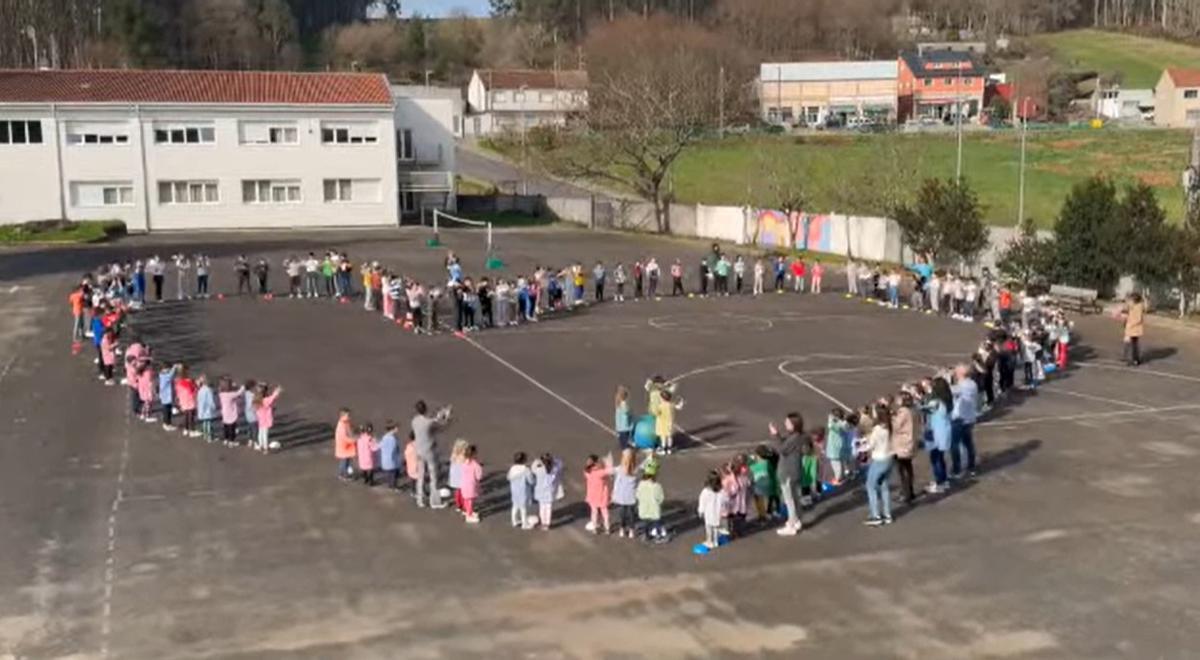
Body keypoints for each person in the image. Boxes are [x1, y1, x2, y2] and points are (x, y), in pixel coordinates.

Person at [768, 412, 804, 536]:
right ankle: (796, 520)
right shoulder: (796, 436)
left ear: (794, 424)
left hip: (788, 472)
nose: (785, 424)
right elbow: (784, 445)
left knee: (790, 500)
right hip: (793, 471)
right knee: (794, 497)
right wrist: (778, 435)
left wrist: (775, 435)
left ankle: (792, 524)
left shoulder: (794, 438)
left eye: (788, 422)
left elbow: (781, 449)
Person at [858, 404, 894, 526]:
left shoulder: (877, 429)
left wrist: (860, 448)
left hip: (879, 459)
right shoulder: (889, 425)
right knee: (884, 485)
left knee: (870, 486)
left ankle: (875, 515)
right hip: (889, 458)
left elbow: (870, 445)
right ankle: (887, 514)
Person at [411, 400, 451, 509]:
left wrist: (437, 417)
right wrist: (446, 417)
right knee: (433, 477)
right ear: (425, 409)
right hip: (429, 451)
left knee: (420, 476)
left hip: (418, 451)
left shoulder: (414, 420)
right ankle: (434, 502)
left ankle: (420, 500)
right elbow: (441, 426)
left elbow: (431, 423)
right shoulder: (429, 422)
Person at [923, 378, 953, 493]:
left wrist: (916, 398)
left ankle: (940, 482)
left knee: (935, 459)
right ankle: (943, 480)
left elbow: (924, 409)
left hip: (936, 432)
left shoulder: (937, 402)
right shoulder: (947, 400)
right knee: (940, 458)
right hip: (943, 431)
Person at [950, 364, 979, 479]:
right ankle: (971, 466)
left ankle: (957, 469)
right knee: (968, 443)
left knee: (955, 445)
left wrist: (945, 378)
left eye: (957, 371)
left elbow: (947, 391)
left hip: (959, 418)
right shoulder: (972, 384)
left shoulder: (962, 386)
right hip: (969, 417)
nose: (955, 373)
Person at [892, 393, 917, 504]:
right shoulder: (913, 410)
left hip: (903, 443)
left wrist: (892, 417)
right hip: (911, 441)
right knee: (908, 467)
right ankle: (909, 491)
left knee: (902, 470)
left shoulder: (903, 412)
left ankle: (906, 494)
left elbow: (896, 426)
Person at [611, 449, 639, 539]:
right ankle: (631, 531)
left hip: (621, 496)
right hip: (631, 496)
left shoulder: (620, 469)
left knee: (622, 513)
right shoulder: (636, 470)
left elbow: (612, 473)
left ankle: (622, 529)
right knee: (631, 513)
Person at [532, 452, 563, 530]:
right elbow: (560, 463)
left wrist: (537, 461)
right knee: (548, 508)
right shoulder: (554, 470)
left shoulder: (539, 470)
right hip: (550, 492)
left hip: (541, 492)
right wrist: (553, 460)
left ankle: (543, 523)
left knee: (542, 508)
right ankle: (547, 524)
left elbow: (533, 468)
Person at [636, 462, 666, 542]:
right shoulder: (657, 486)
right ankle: (658, 536)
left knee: (645, 523)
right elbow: (661, 498)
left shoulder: (641, 484)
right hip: (654, 510)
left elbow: (637, 495)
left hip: (643, 509)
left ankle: (646, 535)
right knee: (657, 523)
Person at [697, 471, 727, 549]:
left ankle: (709, 541)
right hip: (717, 513)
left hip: (709, 514)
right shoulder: (721, 491)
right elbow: (725, 500)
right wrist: (724, 509)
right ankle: (716, 541)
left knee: (709, 528)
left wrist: (700, 511)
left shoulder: (706, 491)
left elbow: (702, 502)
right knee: (716, 527)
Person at [584, 454, 613, 534]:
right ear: (596, 463)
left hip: (592, 495)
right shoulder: (600, 472)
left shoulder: (587, 472)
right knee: (604, 512)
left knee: (594, 512)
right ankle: (607, 528)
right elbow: (610, 471)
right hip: (602, 495)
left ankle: (595, 528)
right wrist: (608, 463)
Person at [508, 451, 535, 530]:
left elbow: (508, 477)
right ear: (524, 460)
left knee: (515, 506)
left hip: (514, 490)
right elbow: (531, 480)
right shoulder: (526, 469)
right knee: (523, 508)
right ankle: (524, 524)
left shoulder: (512, 468)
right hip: (524, 491)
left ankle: (514, 521)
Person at [253, 383, 282, 453]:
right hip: (266, 419)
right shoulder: (265, 400)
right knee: (265, 434)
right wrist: (277, 391)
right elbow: (273, 398)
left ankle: (261, 445)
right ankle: (265, 448)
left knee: (260, 433)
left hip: (260, 419)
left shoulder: (256, 399)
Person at [459, 445, 483, 524]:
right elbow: (479, 476)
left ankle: (468, 511)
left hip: (464, 484)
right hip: (471, 486)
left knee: (466, 499)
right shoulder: (476, 465)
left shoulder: (464, 463)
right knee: (470, 501)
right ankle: (469, 516)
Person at [1121, 293, 1145, 366]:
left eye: (1131, 299)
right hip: (1131, 328)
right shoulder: (1133, 305)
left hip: (1134, 329)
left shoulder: (1138, 307)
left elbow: (1138, 319)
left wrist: (1130, 323)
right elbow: (1126, 309)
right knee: (1129, 343)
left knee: (1132, 345)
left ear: (1135, 300)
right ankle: (1129, 358)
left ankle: (1134, 360)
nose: (1130, 300)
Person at [219, 378, 244, 447]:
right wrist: (242, 387)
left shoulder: (221, 394)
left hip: (224, 413)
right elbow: (238, 393)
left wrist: (233, 386)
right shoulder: (230, 395)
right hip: (231, 414)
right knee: (232, 428)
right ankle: (231, 441)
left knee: (226, 427)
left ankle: (226, 439)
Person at [379, 421, 403, 491]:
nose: (397, 429)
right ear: (393, 428)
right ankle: (394, 487)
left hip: (386, 460)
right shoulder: (393, 439)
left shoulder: (384, 437)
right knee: (394, 474)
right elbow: (395, 450)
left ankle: (390, 486)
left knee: (390, 474)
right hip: (392, 460)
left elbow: (380, 446)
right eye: (396, 428)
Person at [174, 366, 197, 437]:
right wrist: (196, 386)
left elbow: (177, 392)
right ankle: (192, 431)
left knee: (186, 416)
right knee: (191, 416)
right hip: (190, 400)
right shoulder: (189, 382)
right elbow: (192, 390)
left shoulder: (178, 382)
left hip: (183, 400)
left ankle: (186, 429)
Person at [334, 407, 356, 479]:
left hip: (347, 447)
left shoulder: (346, 423)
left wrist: (353, 436)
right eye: (348, 415)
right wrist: (353, 440)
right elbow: (344, 438)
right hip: (343, 447)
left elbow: (349, 431)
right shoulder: (341, 426)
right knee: (344, 462)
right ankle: (343, 475)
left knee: (348, 461)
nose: (349, 417)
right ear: (342, 416)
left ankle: (346, 473)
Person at [196, 375, 217, 443]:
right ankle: (209, 437)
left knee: (204, 423)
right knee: (208, 423)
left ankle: (205, 435)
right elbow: (210, 400)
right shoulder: (208, 390)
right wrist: (213, 406)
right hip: (208, 410)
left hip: (202, 410)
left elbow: (198, 400)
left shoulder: (200, 390)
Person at [157, 363, 177, 431]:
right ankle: (166, 424)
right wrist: (174, 368)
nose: (168, 370)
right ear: (163, 369)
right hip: (166, 398)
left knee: (168, 412)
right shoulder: (164, 376)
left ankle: (168, 424)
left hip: (166, 398)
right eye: (167, 369)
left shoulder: (162, 375)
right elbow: (170, 376)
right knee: (167, 412)